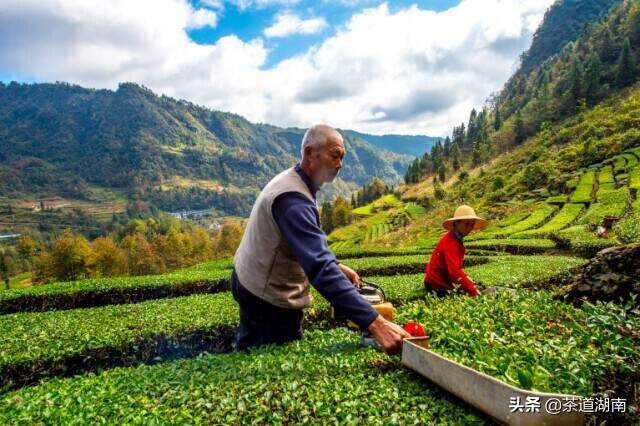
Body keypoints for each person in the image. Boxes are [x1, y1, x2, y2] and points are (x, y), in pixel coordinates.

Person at [232, 124, 410, 354]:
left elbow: (303, 243)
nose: (340, 164)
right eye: (335, 155)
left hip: (250, 277)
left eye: (342, 157)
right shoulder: (293, 200)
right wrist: (376, 324)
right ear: (309, 153)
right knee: (265, 356)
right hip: (263, 294)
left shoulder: (300, 182)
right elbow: (319, 267)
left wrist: (337, 265)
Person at [423, 205, 488, 297]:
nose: (469, 228)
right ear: (456, 223)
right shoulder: (450, 242)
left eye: (471, 225)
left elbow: (456, 270)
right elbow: (455, 272)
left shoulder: (456, 239)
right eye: (467, 224)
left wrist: (469, 282)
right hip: (436, 284)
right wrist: (473, 290)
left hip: (443, 281)